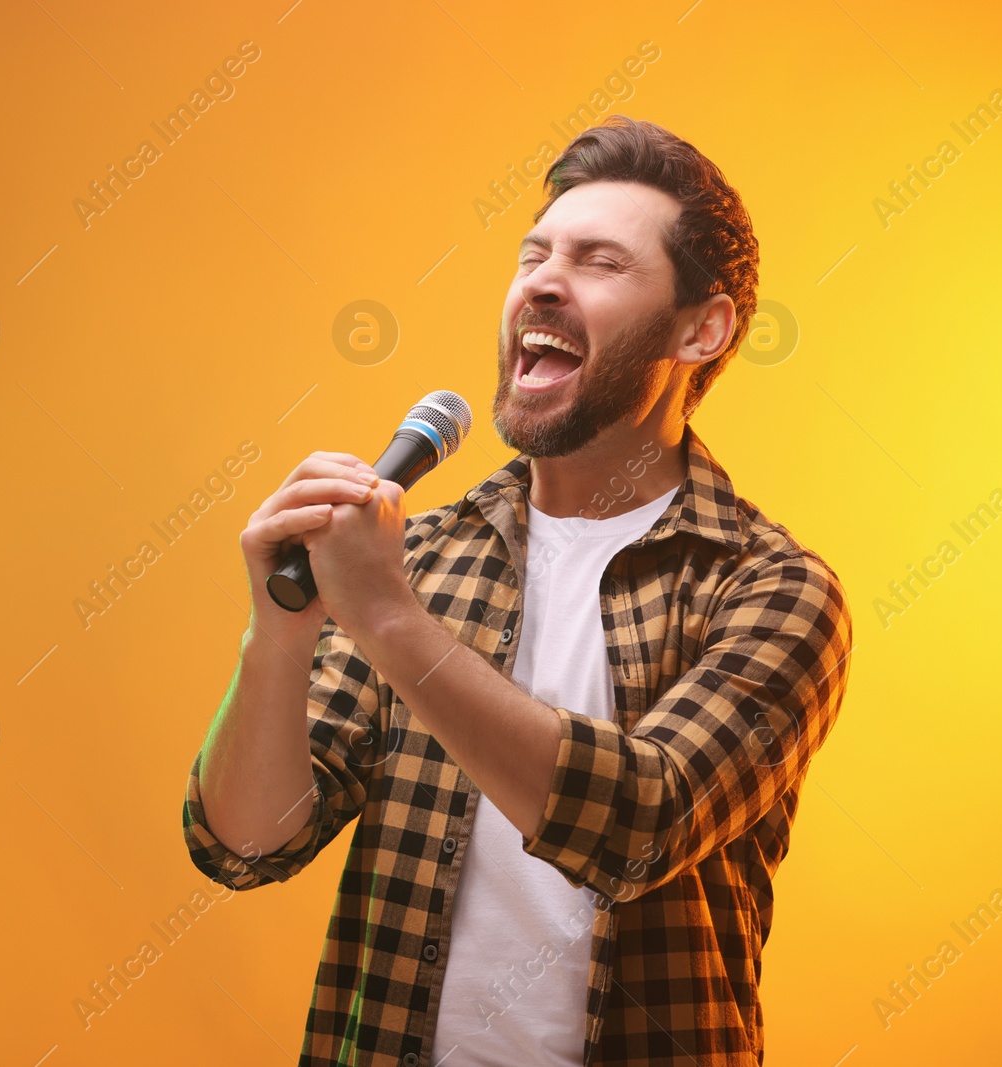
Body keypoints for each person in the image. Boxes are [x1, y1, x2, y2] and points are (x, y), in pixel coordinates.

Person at [182, 115, 853, 1067]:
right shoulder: (418, 560)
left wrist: (386, 620)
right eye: (534, 254)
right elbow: (246, 844)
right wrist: (279, 639)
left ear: (702, 329)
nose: (542, 279)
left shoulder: (771, 589)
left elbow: (637, 825)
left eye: (600, 262)